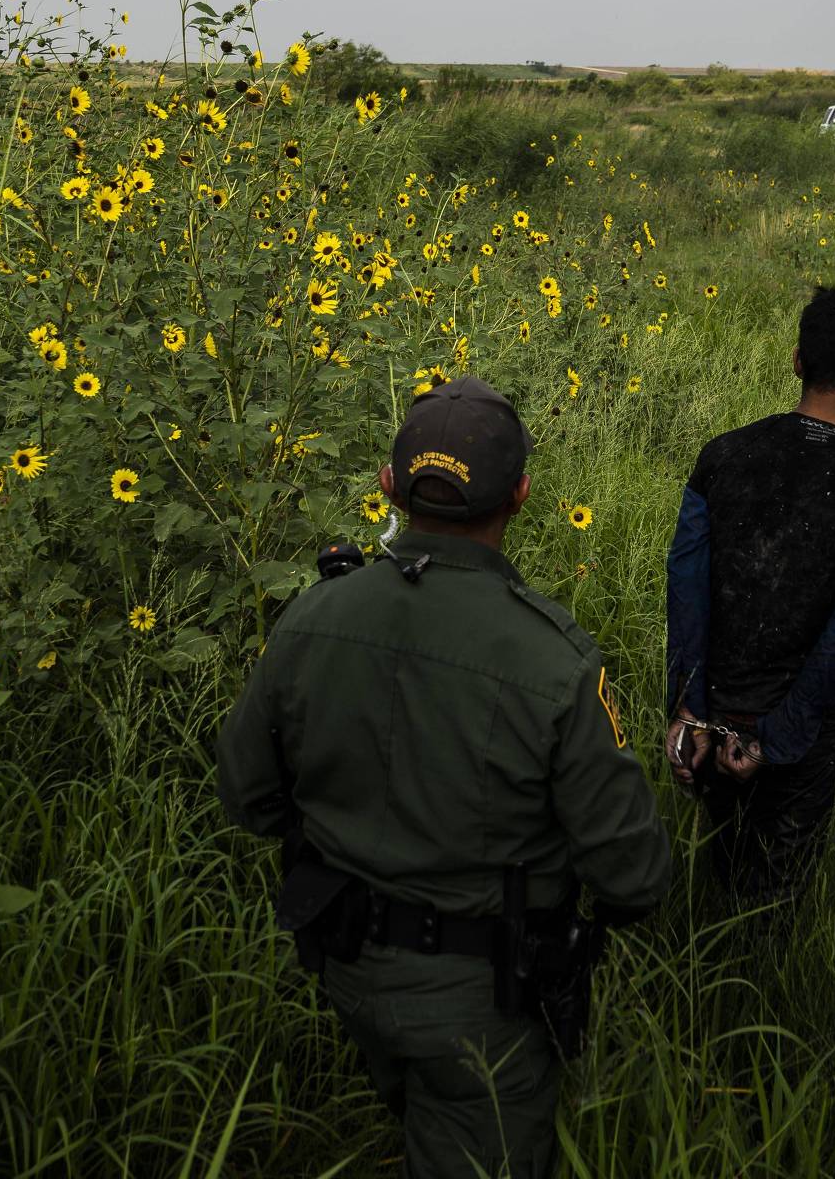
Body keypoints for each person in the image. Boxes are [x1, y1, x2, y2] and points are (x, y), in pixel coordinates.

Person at [216, 376, 673, 1179]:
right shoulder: (553, 660)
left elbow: (247, 792)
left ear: (388, 485)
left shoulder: (313, 617)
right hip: (484, 1003)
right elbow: (632, 877)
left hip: (341, 961)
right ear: (523, 495)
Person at [663, 286, 835, 901]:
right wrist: (775, 739)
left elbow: (685, 588)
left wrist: (690, 710)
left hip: (711, 714)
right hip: (794, 738)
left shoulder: (721, 457)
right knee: (778, 897)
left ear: (796, 359)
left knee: (715, 869)